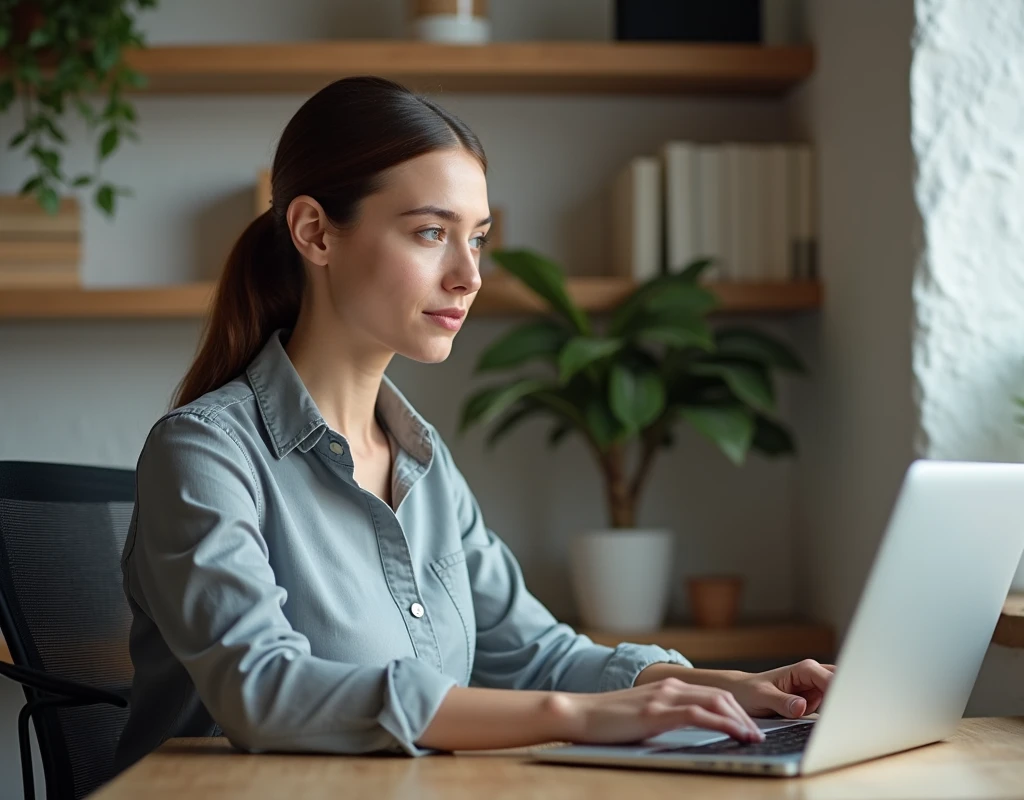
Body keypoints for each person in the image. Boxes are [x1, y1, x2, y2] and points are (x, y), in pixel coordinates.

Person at [114, 76, 835, 770]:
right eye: (432, 232)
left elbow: (537, 654)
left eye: (478, 237)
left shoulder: (422, 461)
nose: (469, 275)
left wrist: (725, 687)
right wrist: (574, 718)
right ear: (315, 232)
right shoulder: (205, 453)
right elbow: (265, 690)